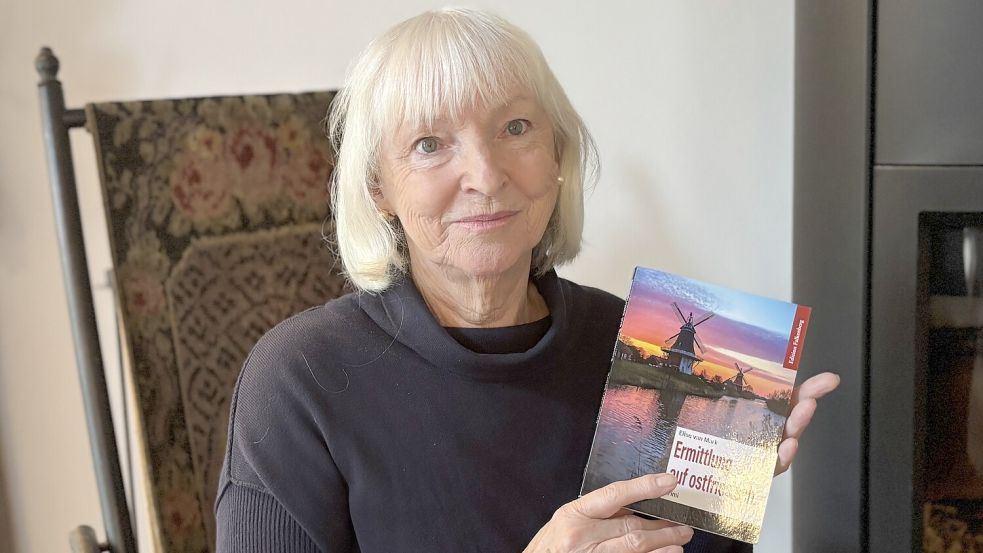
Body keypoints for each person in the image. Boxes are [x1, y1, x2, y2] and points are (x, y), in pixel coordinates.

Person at [214, 7, 839, 553]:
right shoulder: (300, 380)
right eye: (430, 144)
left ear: (559, 158)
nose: (486, 175)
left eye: (515, 128)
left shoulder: (633, 344)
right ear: (379, 188)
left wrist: (728, 472)